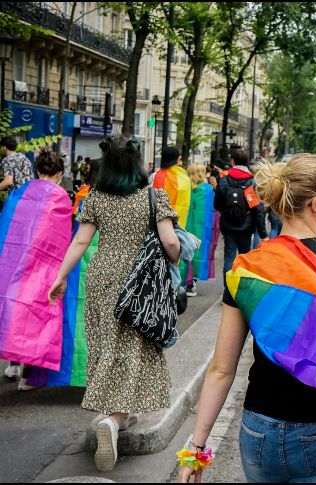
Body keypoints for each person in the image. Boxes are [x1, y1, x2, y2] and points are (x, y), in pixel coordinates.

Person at [177, 154, 316, 484]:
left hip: (260, 428)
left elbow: (222, 369)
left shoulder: (248, 269)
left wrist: (196, 449)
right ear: (314, 204)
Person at [48, 137, 180, 472]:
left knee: (108, 342)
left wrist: (61, 276)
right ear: (137, 163)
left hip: (102, 277)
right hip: (139, 282)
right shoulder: (153, 197)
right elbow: (169, 241)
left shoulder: (96, 198)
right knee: (133, 346)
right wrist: (176, 258)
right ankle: (115, 419)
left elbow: (81, 241)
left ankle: (117, 412)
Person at [0, 150, 71, 388]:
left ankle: (13, 365)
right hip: (43, 265)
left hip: (13, 260)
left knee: (13, 306)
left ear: (37, 170)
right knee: (36, 315)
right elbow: (62, 237)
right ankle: (28, 376)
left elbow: (7, 226)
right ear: (59, 173)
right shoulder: (61, 197)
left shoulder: (19, 193)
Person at [214, 149, 266, 283]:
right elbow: (257, 209)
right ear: (247, 162)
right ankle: (241, 287)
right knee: (244, 257)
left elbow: (217, 204)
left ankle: (228, 290)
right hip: (246, 226)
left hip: (228, 225)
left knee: (229, 257)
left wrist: (228, 211)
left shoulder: (224, 181)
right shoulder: (250, 182)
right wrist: (263, 233)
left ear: (232, 161)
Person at [184, 164, 220, 297]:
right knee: (199, 253)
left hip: (186, 226)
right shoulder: (207, 189)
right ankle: (192, 283)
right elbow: (214, 211)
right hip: (203, 229)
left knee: (185, 252)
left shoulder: (185, 187)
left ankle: (183, 282)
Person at [152, 146, 192, 230]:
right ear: (177, 159)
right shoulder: (183, 177)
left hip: (157, 221)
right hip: (178, 223)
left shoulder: (155, 175)